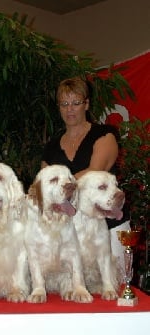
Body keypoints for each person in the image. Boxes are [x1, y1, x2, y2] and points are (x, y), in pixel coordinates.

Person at [42, 77, 130, 278]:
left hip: (107, 224)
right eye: (64, 104)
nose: (70, 109)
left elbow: (93, 173)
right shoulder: (51, 147)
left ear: (87, 104)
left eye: (76, 103)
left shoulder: (105, 135)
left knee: (113, 286)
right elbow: (44, 186)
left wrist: (59, 186)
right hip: (69, 229)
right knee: (74, 289)